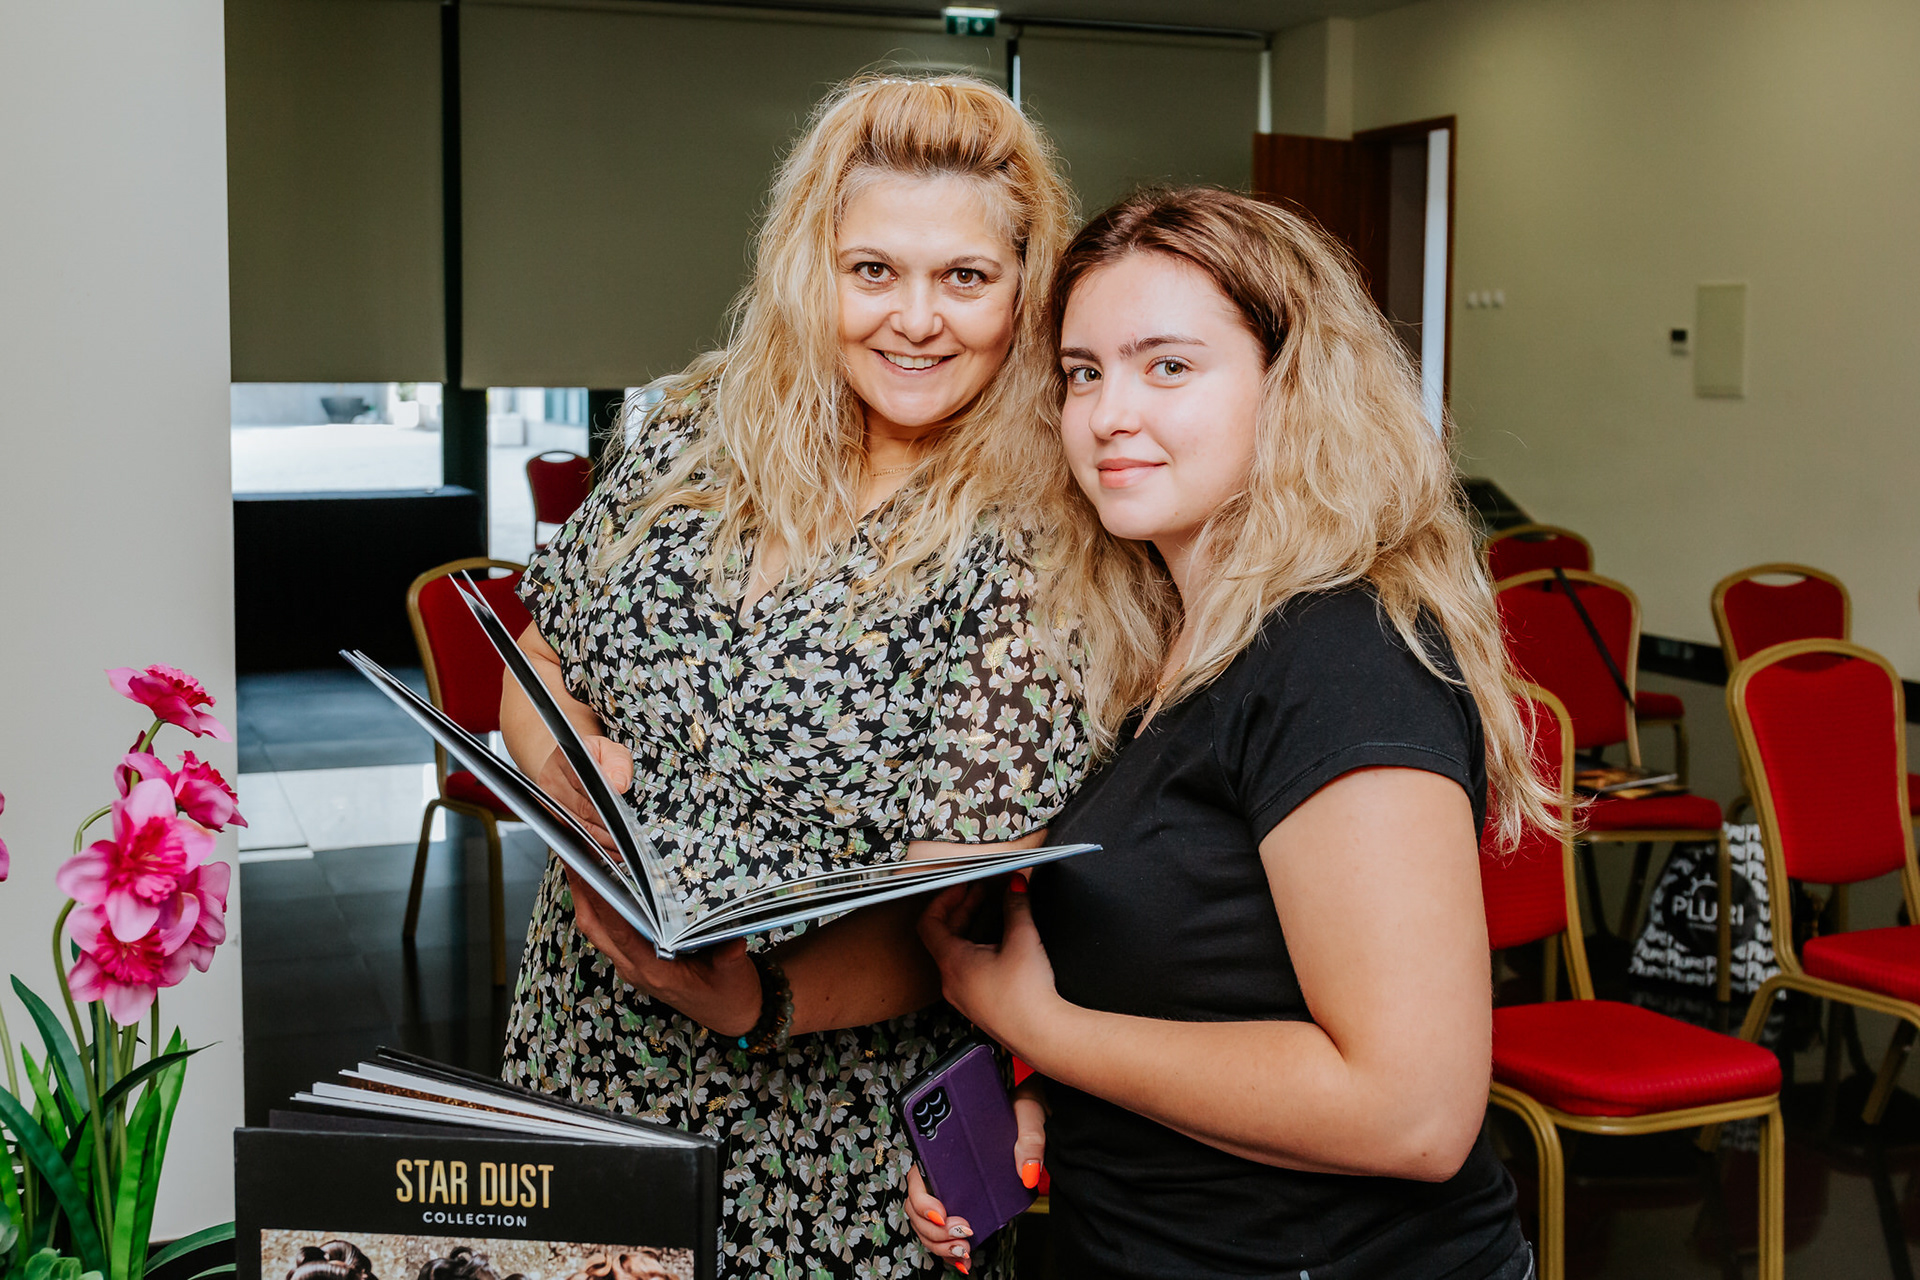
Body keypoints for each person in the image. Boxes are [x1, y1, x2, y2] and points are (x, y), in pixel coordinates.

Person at [909, 188, 1557, 1279]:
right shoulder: (1165, 649)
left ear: (1292, 386)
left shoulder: (1344, 651)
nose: (1109, 413)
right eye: (1082, 373)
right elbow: (1210, 990)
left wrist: (1041, 1026)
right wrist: (1044, 1112)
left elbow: (1413, 1112)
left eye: (1167, 366)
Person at [497, 75, 1084, 1280]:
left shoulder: (1045, 543)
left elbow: (959, 913)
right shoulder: (691, 428)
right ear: (814, 268)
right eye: (874, 270)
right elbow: (545, 651)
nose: (915, 319)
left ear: (1026, 291)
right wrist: (560, 761)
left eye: (964, 278)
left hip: (827, 1135)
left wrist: (756, 999)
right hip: (579, 1034)